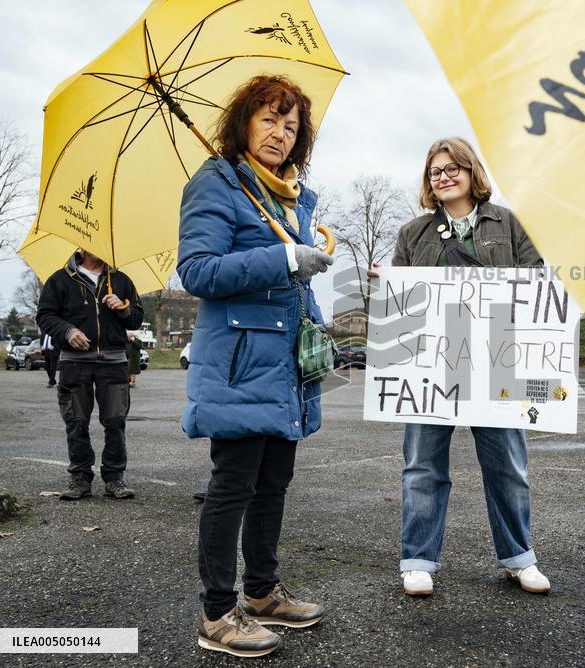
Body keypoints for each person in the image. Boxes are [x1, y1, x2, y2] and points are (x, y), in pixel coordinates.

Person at [177, 74, 334, 658]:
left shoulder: (288, 195)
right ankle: (218, 613)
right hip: (241, 364)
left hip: (286, 366)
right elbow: (197, 272)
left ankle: (263, 592)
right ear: (244, 120)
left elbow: (292, 288)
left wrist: (313, 311)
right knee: (233, 485)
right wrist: (285, 256)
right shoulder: (216, 184)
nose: (280, 133)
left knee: (274, 483)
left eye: (291, 126)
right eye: (269, 119)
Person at [378, 137, 550, 597]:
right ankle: (417, 561)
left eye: (453, 168)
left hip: (495, 363)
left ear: (473, 172)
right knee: (422, 467)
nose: (444, 176)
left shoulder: (509, 224)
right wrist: (388, 286)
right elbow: (402, 305)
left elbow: (535, 283)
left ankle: (519, 558)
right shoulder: (412, 234)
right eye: (435, 171)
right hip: (431, 367)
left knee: (508, 466)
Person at [36, 250, 144, 501]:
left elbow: (137, 319)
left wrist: (124, 308)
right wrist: (67, 330)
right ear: (83, 245)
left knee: (115, 422)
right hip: (74, 363)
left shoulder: (121, 280)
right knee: (76, 422)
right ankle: (80, 478)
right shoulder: (60, 279)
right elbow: (45, 316)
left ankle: (114, 478)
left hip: (114, 361)